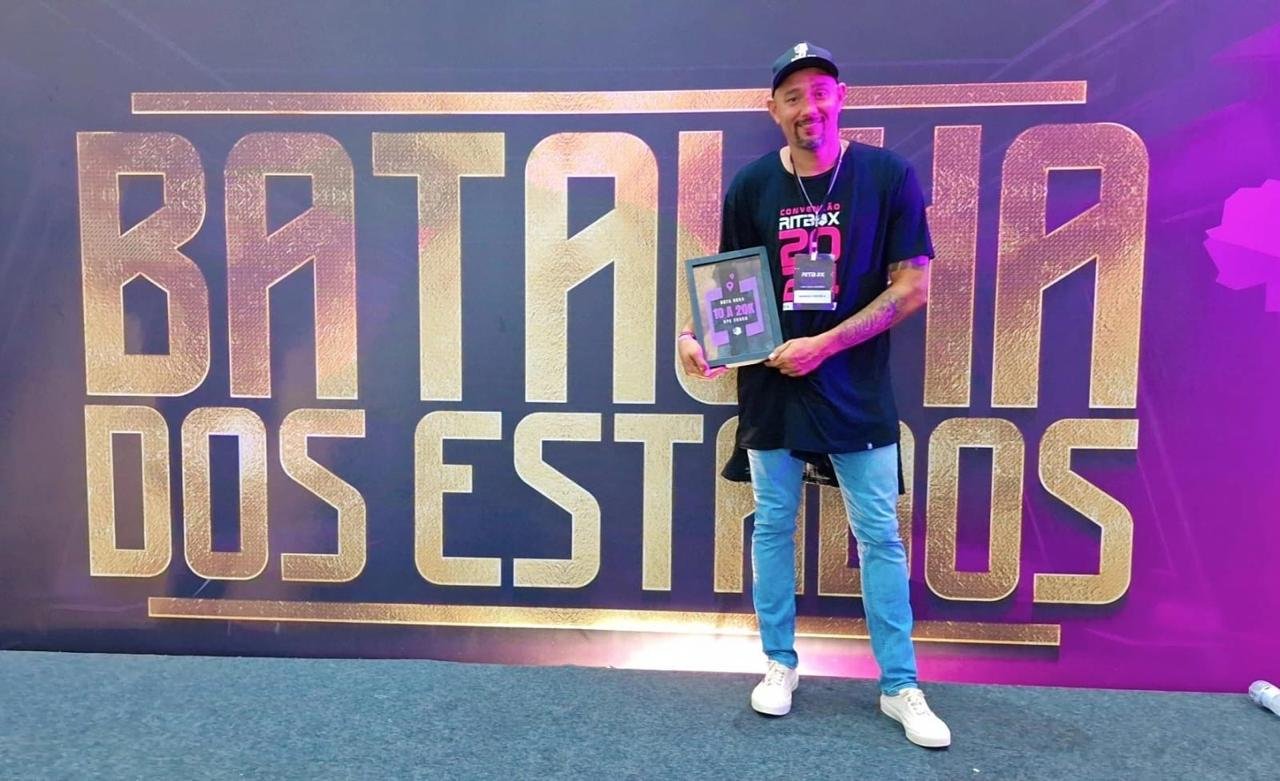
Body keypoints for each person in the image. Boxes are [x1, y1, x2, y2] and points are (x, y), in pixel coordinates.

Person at [678, 41, 951, 748]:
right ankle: (779, 663)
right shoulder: (751, 186)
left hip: (854, 386)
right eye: (793, 95)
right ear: (773, 109)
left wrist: (825, 345)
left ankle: (900, 685)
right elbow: (731, 287)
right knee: (773, 524)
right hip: (771, 384)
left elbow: (912, 287)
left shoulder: (886, 175)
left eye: (820, 91)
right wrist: (696, 335)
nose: (810, 107)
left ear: (841, 97)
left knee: (879, 533)